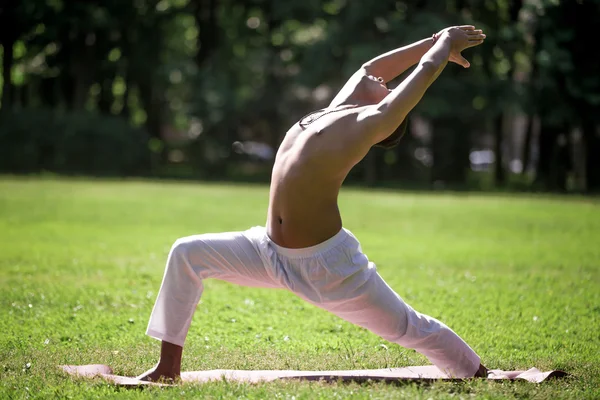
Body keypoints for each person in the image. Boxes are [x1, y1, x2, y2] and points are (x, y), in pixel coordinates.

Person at [138, 25, 488, 382]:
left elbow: (426, 71)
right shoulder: (331, 113)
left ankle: (478, 373)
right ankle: (167, 369)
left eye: (390, 89)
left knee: (409, 328)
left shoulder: (368, 123)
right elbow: (371, 68)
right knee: (187, 253)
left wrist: (444, 46)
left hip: (328, 266)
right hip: (268, 251)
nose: (385, 82)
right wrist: (430, 40)